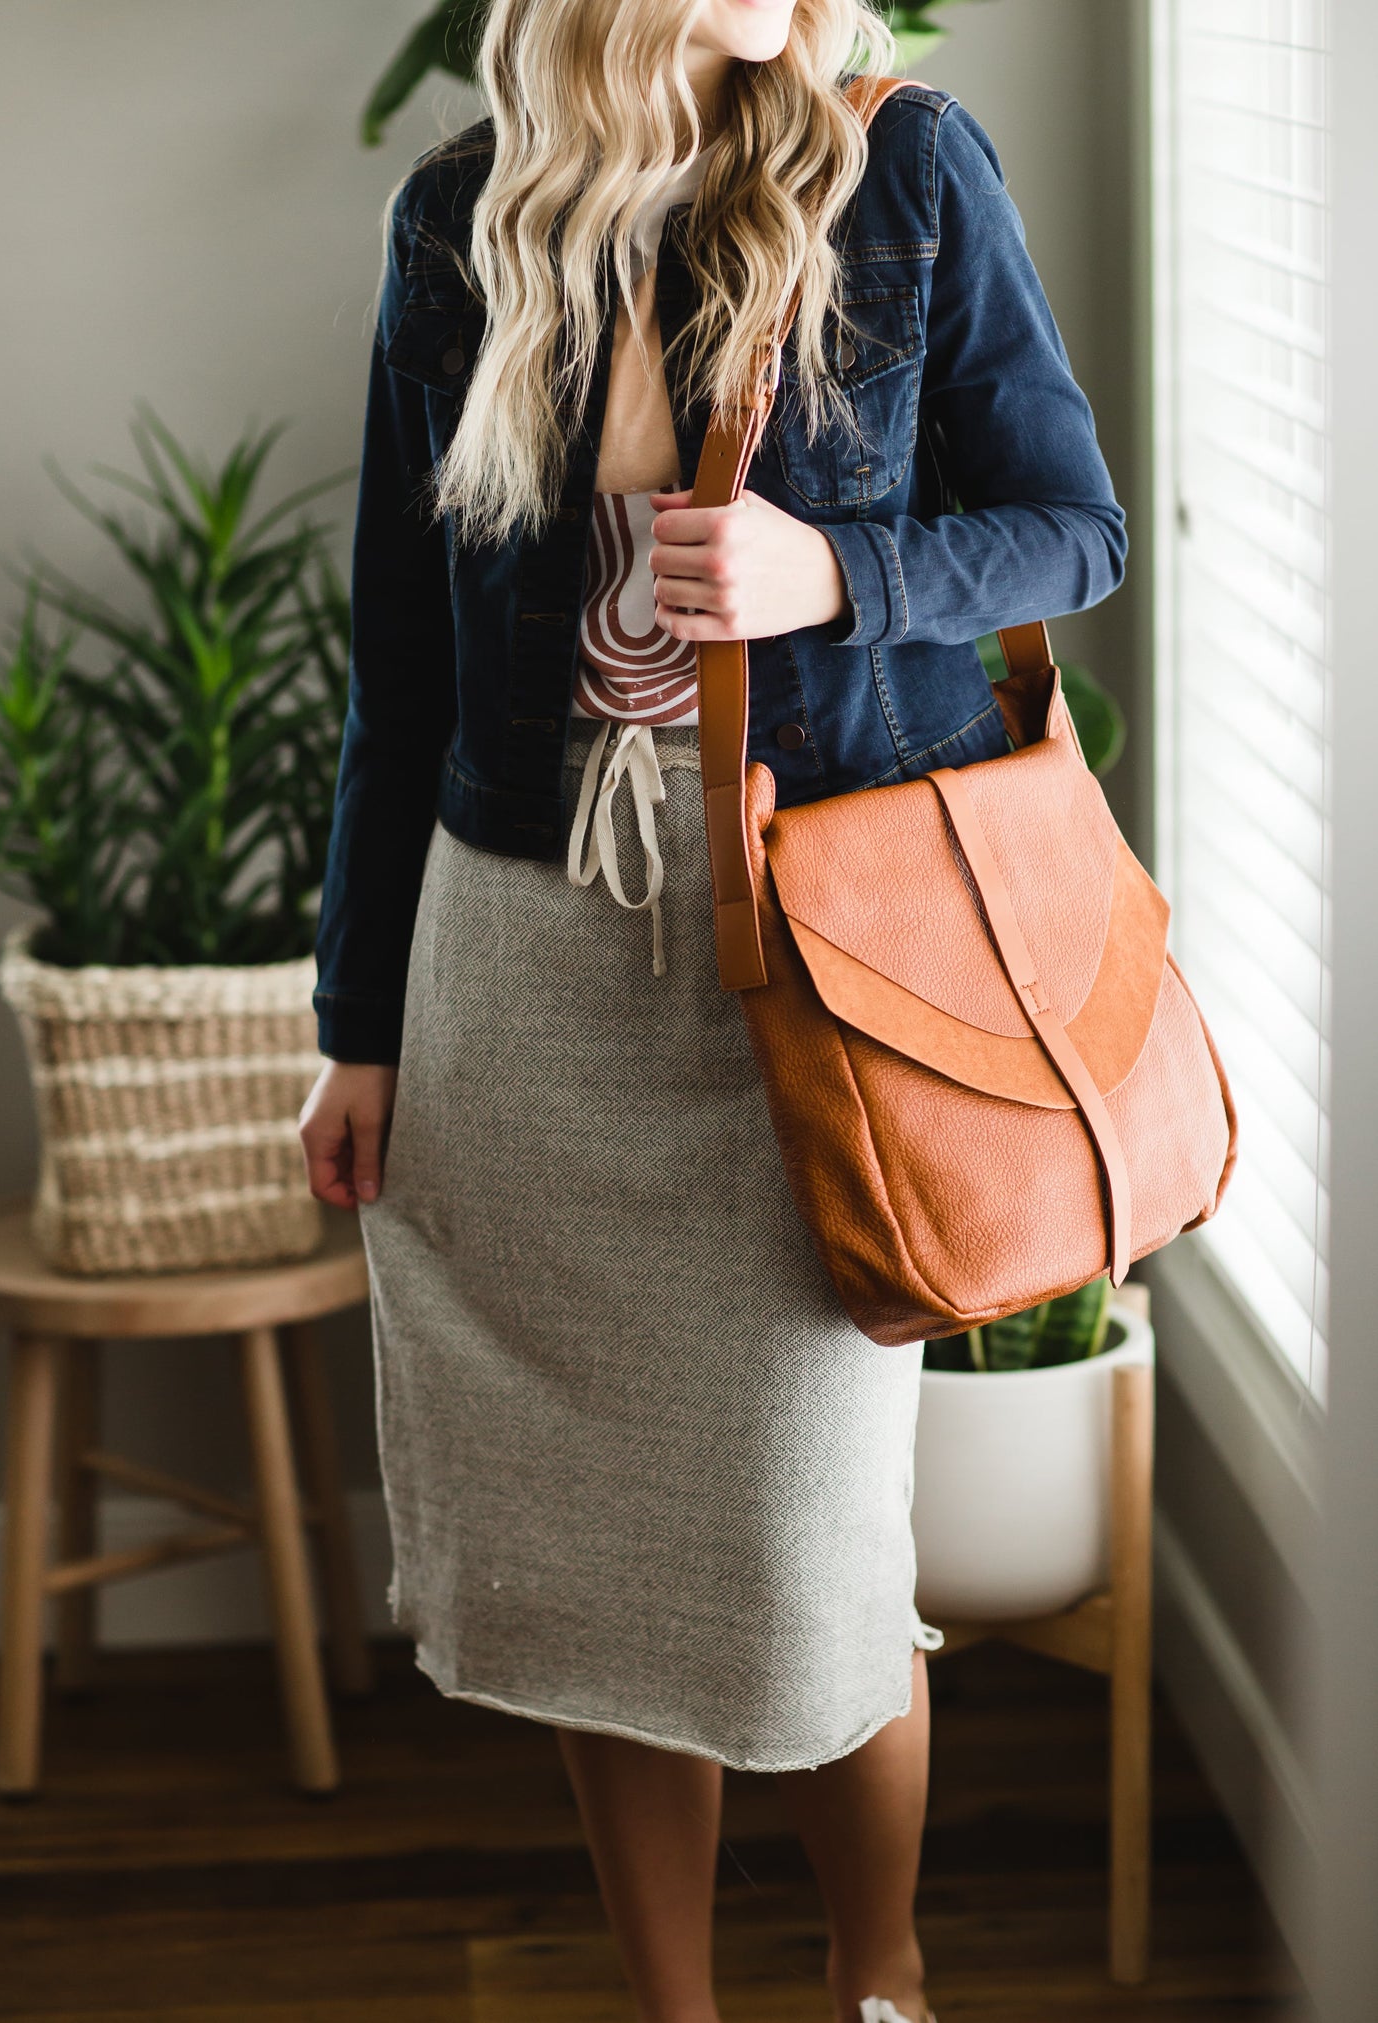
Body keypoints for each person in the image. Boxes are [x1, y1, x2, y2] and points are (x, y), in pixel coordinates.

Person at [299, 4, 1127, 2019]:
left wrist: (824, 574)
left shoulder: (902, 167)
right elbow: (396, 670)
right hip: (521, 957)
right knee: (604, 1562)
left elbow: (1070, 527)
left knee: (811, 1552)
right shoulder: (453, 228)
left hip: (800, 969)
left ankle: (881, 1977)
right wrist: (360, 1022)